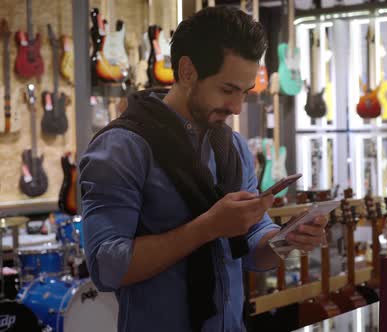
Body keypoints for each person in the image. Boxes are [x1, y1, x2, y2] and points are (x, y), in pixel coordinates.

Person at [79, 7, 328, 332]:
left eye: (245, 91)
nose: (238, 107)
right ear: (186, 71)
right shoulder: (121, 147)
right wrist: (207, 227)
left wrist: (286, 239)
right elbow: (107, 267)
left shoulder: (232, 147)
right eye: (227, 89)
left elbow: (252, 247)